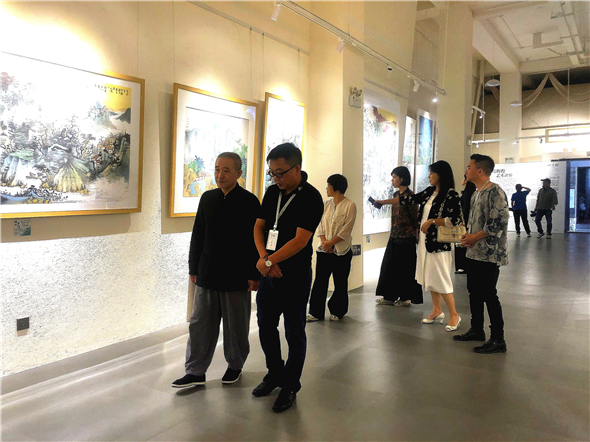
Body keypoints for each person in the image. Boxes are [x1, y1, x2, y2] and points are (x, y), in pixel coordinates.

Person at [172, 153, 260, 389]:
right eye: (217, 169)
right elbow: (198, 234)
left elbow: (255, 240)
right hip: (207, 272)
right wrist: (193, 267)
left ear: (238, 173)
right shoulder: (208, 198)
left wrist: (254, 274)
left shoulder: (250, 201)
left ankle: (235, 365)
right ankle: (195, 371)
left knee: (236, 325)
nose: (220, 175)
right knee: (199, 324)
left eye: (226, 170)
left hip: (236, 275)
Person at [252, 143, 323, 413]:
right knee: (265, 325)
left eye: (280, 173)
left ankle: (290, 385)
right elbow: (259, 226)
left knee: (294, 331)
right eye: (272, 173)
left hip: (294, 275)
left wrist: (270, 261)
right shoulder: (272, 192)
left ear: (297, 168)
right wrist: (264, 259)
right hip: (269, 272)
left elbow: (301, 240)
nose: (276, 178)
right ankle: (274, 374)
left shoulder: (311, 197)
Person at [379, 161, 463, 331]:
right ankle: (437, 310)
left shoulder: (451, 194)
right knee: (430, 277)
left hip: (439, 244)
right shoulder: (430, 191)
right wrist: (384, 202)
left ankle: (454, 314)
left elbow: (455, 219)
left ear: (441, 174)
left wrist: (432, 221)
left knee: (441, 277)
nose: (429, 176)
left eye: (432, 173)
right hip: (426, 242)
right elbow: (410, 199)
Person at [455, 154, 509, 354]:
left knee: (488, 294)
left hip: (489, 254)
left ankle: (498, 338)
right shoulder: (477, 193)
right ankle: (477, 329)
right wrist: (468, 236)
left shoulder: (495, 191)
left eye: (469, 167)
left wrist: (474, 237)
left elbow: (498, 223)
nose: (466, 170)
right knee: (474, 292)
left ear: (479, 170)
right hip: (474, 252)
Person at [307, 174, 357, 322]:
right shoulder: (325, 205)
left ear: (336, 187)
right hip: (324, 250)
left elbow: (346, 229)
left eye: (328, 185)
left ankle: (338, 311)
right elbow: (320, 224)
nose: (326, 188)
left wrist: (331, 243)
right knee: (320, 281)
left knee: (340, 282)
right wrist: (325, 242)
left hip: (342, 251)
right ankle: (316, 312)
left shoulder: (350, 205)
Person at [374, 166, 422, 307]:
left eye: (394, 177)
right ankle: (389, 296)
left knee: (405, 269)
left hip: (407, 237)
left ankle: (405, 297)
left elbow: (415, 217)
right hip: (394, 235)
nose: (392, 180)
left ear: (402, 178)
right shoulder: (396, 195)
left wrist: (416, 233)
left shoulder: (411, 196)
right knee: (389, 267)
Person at [455, 175, 477, 274]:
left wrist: (463, 222)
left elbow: (465, 209)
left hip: (465, 224)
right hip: (468, 223)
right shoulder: (473, 193)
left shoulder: (467, 194)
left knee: (462, 244)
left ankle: (462, 267)